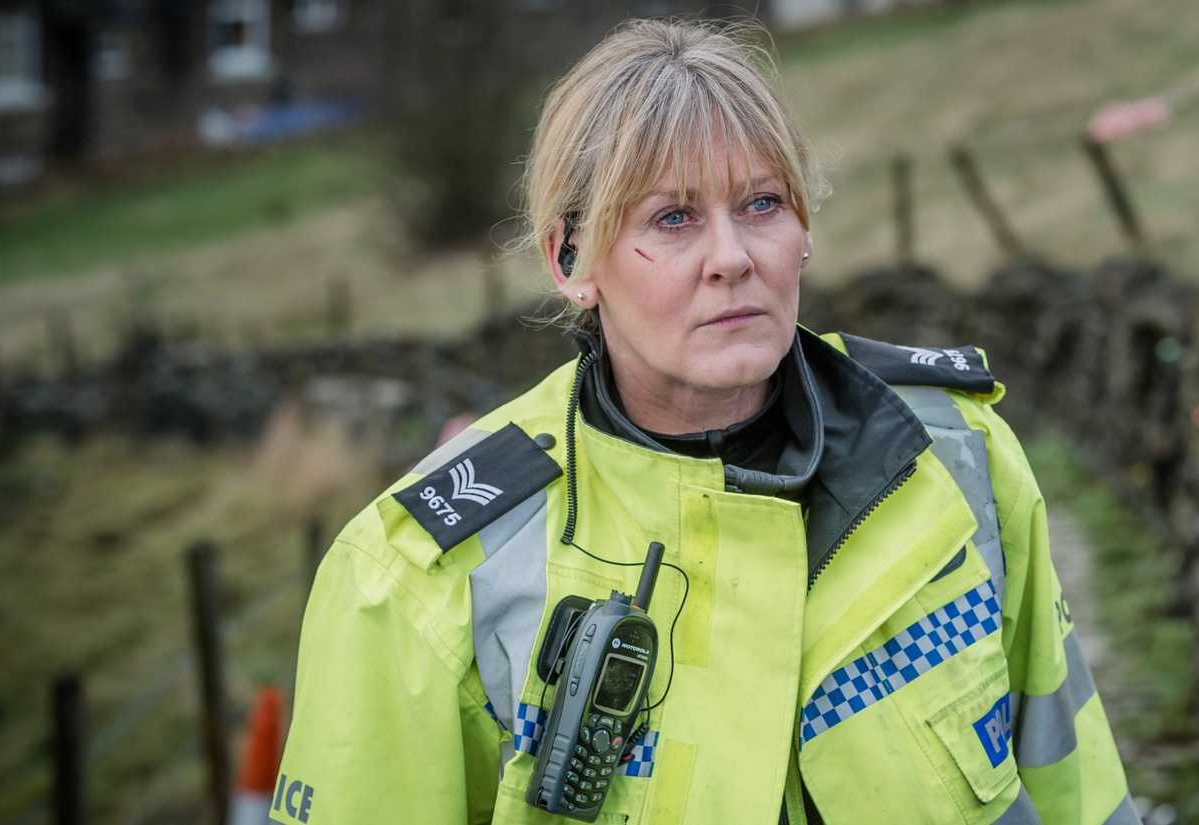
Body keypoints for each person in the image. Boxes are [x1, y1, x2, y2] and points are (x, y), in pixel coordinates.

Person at [277, 18, 1138, 825]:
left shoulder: (954, 452)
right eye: (673, 218)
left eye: (763, 203)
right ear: (568, 258)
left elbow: (1078, 785)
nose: (732, 258)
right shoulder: (418, 576)